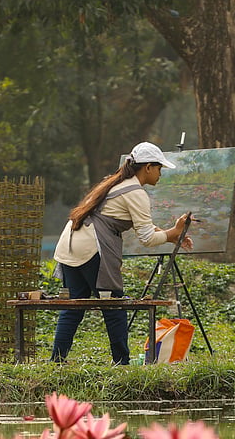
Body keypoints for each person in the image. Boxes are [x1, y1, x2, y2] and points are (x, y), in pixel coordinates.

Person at [50, 142, 193, 365]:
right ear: (147, 167)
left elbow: (144, 227)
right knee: (114, 305)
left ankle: (57, 361)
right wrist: (171, 233)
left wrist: (171, 234)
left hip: (70, 243)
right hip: (92, 247)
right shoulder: (135, 192)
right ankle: (121, 363)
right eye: (159, 168)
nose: (160, 173)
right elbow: (147, 238)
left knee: (73, 307)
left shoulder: (115, 183)